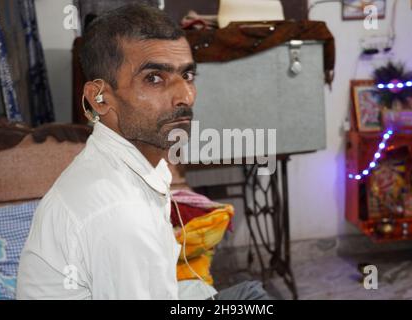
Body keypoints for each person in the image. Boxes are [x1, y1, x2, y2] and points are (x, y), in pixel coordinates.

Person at [17, 3, 270, 300]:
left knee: (248, 296)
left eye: (187, 76)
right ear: (99, 99)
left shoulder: (124, 166)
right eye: (154, 78)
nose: (185, 96)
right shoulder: (120, 213)